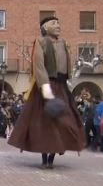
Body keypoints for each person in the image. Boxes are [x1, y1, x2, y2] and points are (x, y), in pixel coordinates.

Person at [8, 17, 85, 169]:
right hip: (46, 86)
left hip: (61, 86)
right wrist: (46, 90)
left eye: (58, 23)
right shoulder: (41, 42)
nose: (58, 25)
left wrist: (67, 84)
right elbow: (39, 67)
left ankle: (53, 155)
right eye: (53, 23)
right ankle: (45, 158)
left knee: (64, 121)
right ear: (44, 28)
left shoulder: (64, 43)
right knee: (45, 123)